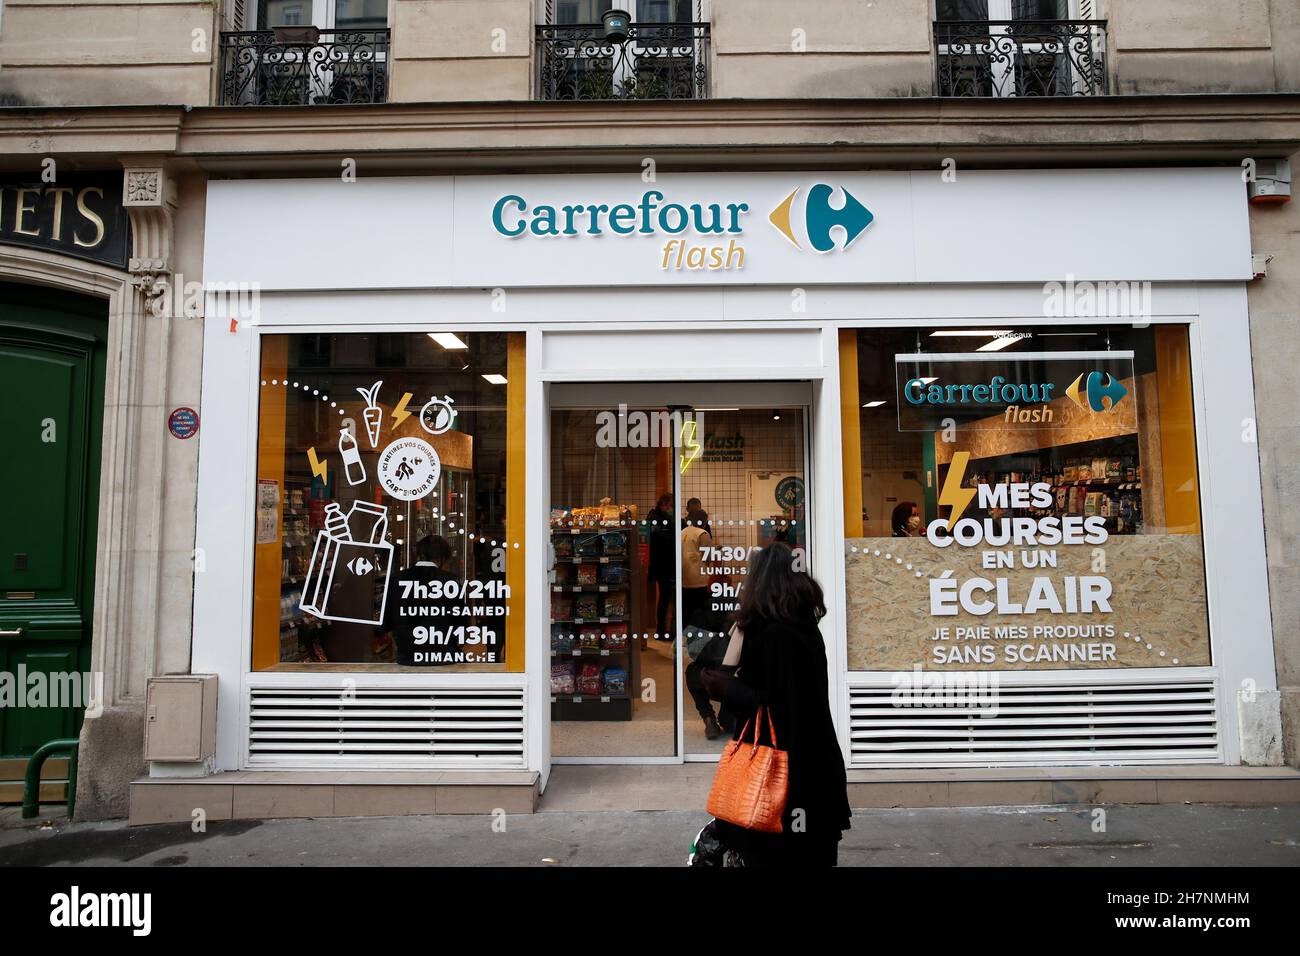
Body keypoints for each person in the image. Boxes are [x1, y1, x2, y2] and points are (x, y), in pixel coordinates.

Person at [700, 542, 851, 867]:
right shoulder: (805, 630)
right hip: (816, 772)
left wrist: (725, 688)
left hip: (779, 779)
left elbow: (776, 707)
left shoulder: (771, 636)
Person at [380, 535, 465, 665]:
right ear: (442, 557)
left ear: (419, 553)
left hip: (408, 656)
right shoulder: (451, 581)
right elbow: (461, 621)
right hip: (443, 655)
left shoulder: (397, 579)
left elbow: (387, 621)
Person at [646, 492, 675, 638]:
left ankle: (664, 629)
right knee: (665, 598)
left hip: (662, 564)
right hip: (664, 564)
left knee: (665, 597)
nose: (672, 509)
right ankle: (662, 630)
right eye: (671, 506)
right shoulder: (656, 519)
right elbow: (662, 540)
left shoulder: (656, 517)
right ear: (666, 505)